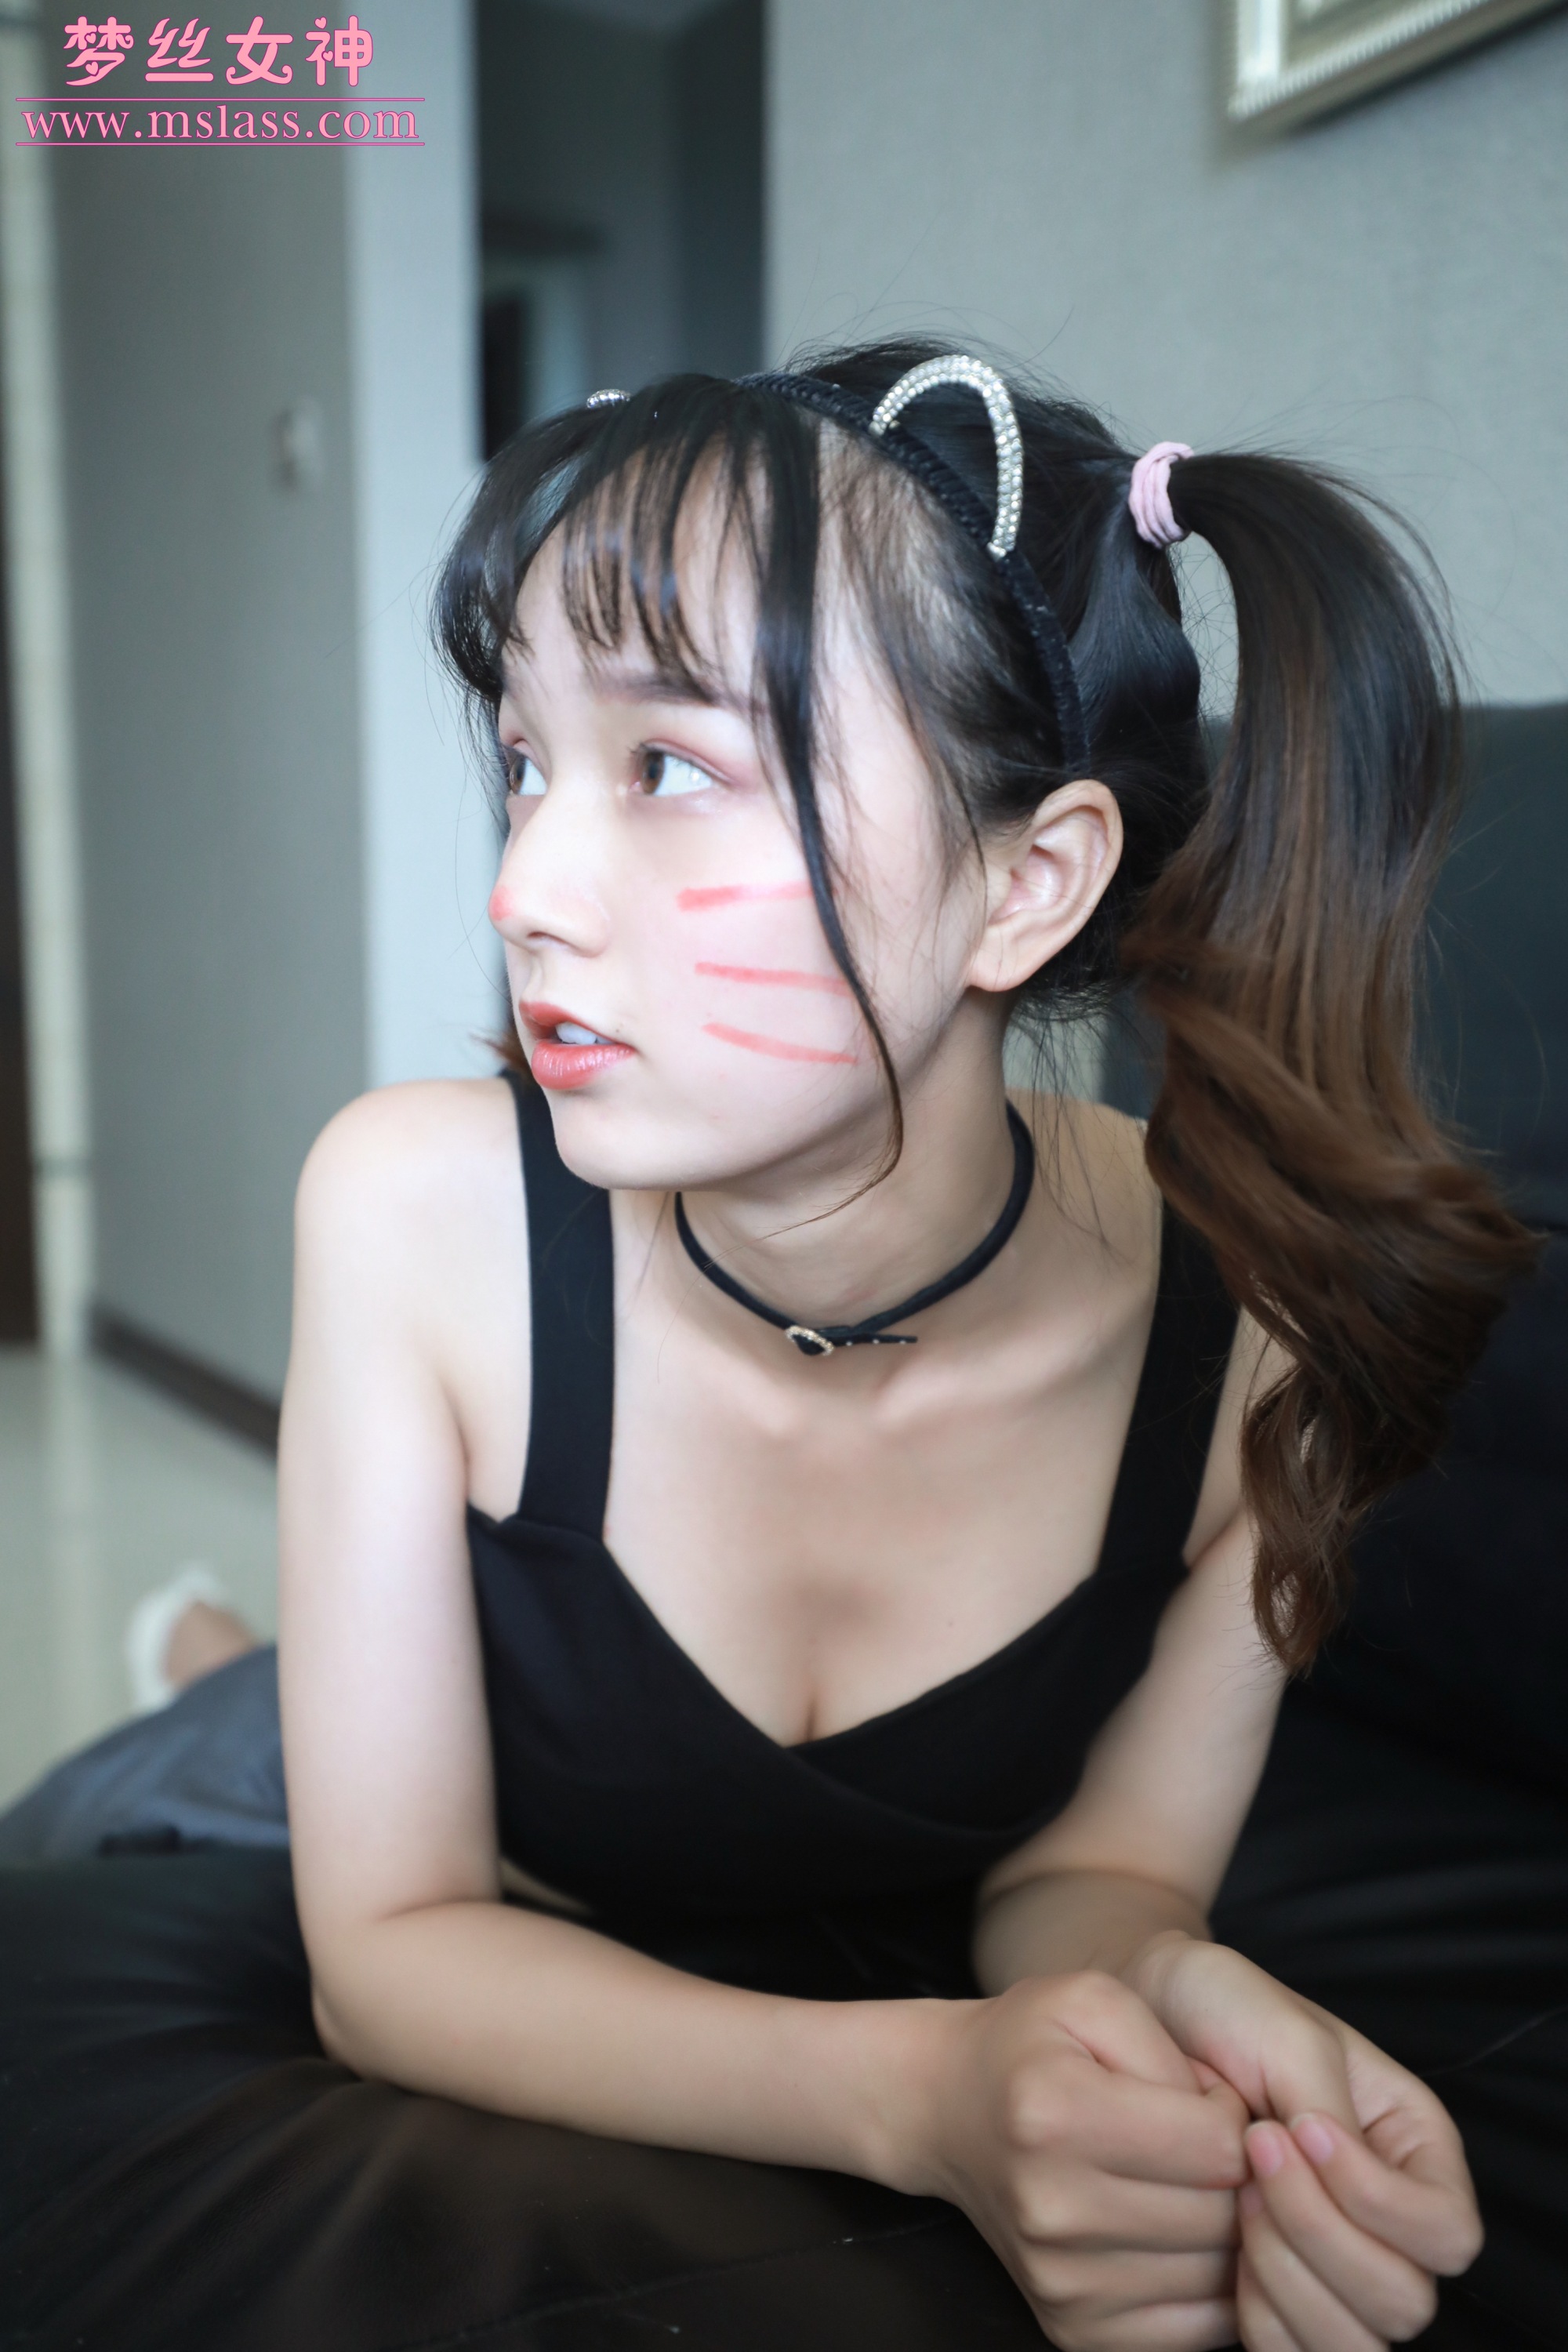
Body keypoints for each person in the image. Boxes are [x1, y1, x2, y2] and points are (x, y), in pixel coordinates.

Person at [0, 341, 1536, 2352]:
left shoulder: (1250, 1334)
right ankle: (229, 1672)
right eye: (528, 761)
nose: (522, 892)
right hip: (330, 1812)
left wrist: (1182, 2010)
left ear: (1024, 884)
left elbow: (1089, 1885)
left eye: (669, 768)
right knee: (208, 1762)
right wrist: (921, 2096)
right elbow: (389, 1951)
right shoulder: (409, 1212)